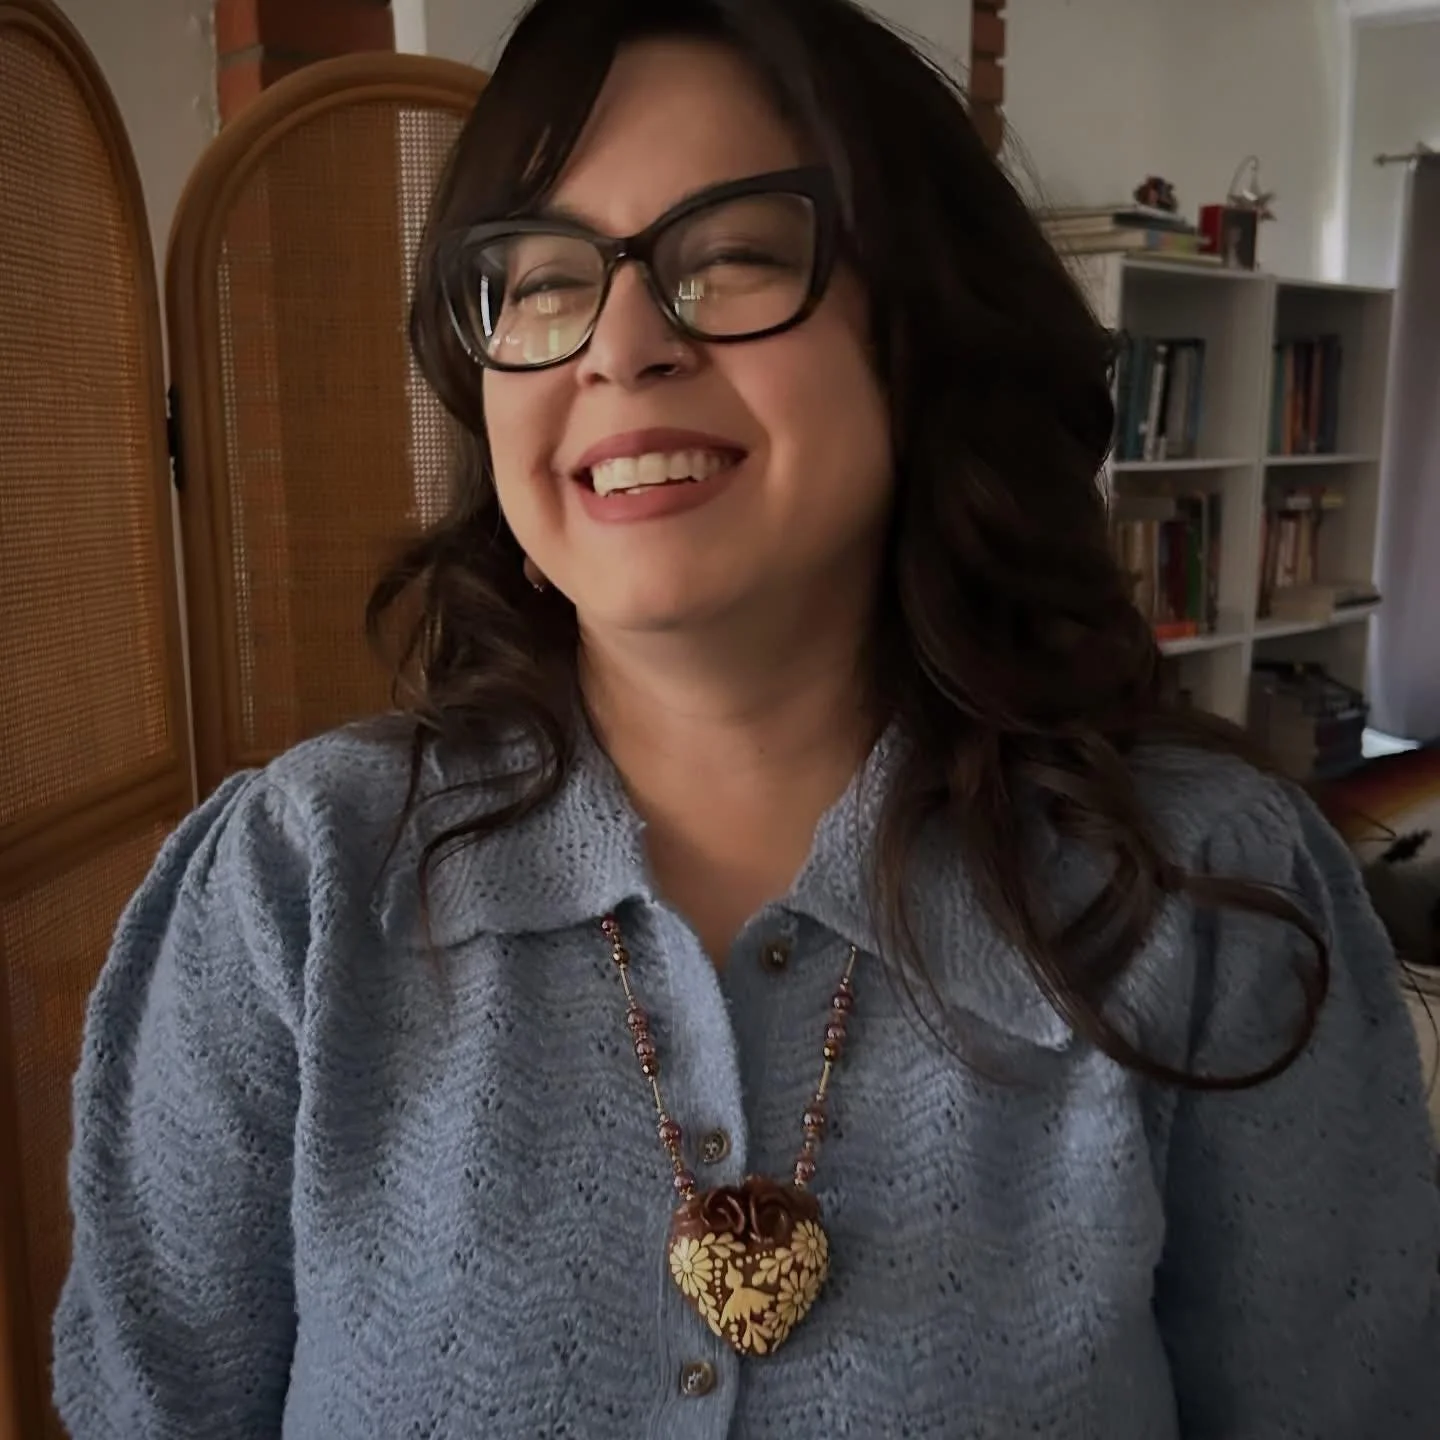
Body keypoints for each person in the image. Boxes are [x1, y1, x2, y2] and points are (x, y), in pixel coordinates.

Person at [53, 0, 1440, 1435]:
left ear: (923, 339)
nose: (621, 343)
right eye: (537, 282)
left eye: (731, 258)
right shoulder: (297, 890)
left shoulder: (1208, 897)